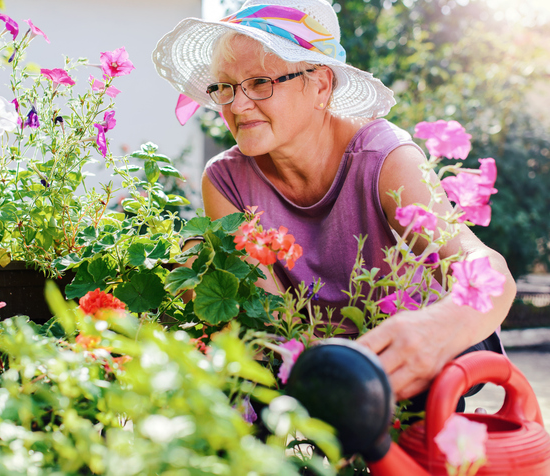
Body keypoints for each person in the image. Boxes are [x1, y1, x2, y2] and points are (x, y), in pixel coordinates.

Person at [151, 0, 516, 402]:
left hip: (415, 357)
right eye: (225, 86)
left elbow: (487, 271)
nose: (237, 105)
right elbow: (272, 322)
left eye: (260, 82)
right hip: (316, 363)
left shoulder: (384, 158)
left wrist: (434, 329)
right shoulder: (225, 180)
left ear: (321, 86)